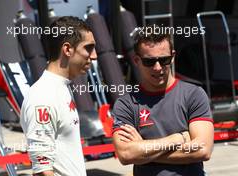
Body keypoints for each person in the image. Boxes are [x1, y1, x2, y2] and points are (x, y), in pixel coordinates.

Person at [112, 28, 214, 176]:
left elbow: (202, 150)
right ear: (137, 61)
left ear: (172, 57)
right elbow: (126, 154)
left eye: (164, 60)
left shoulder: (194, 95)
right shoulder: (126, 104)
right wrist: (177, 138)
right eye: (149, 61)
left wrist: (143, 152)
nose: (158, 67)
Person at [20, 16, 97, 176]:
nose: (94, 55)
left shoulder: (60, 87)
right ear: (67, 49)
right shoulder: (43, 96)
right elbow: (42, 170)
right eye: (88, 48)